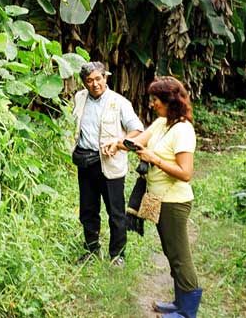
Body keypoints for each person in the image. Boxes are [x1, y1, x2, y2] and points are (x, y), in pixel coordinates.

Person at [103, 76, 203, 317]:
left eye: (155, 99)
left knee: (179, 254)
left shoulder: (183, 131)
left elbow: (186, 173)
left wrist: (155, 159)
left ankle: (188, 311)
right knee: (171, 251)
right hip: (159, 199)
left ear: (170, 100)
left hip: (175, 202)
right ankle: (179, 303)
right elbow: (138, 142)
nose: (152, 103)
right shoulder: (161, 123)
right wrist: (118, 144)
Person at [70, 61, 143, 266]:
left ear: (106, 78)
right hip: (85, 162)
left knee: (116, 212)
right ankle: (92, 250)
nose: (94, 84)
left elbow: (137, 130)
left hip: (110, 163)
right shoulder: (79, 98)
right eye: (89, 80)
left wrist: (118, 144)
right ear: (84, 82)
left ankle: (117, 255)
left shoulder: (119, 102)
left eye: (98, 79)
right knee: (88, 210)